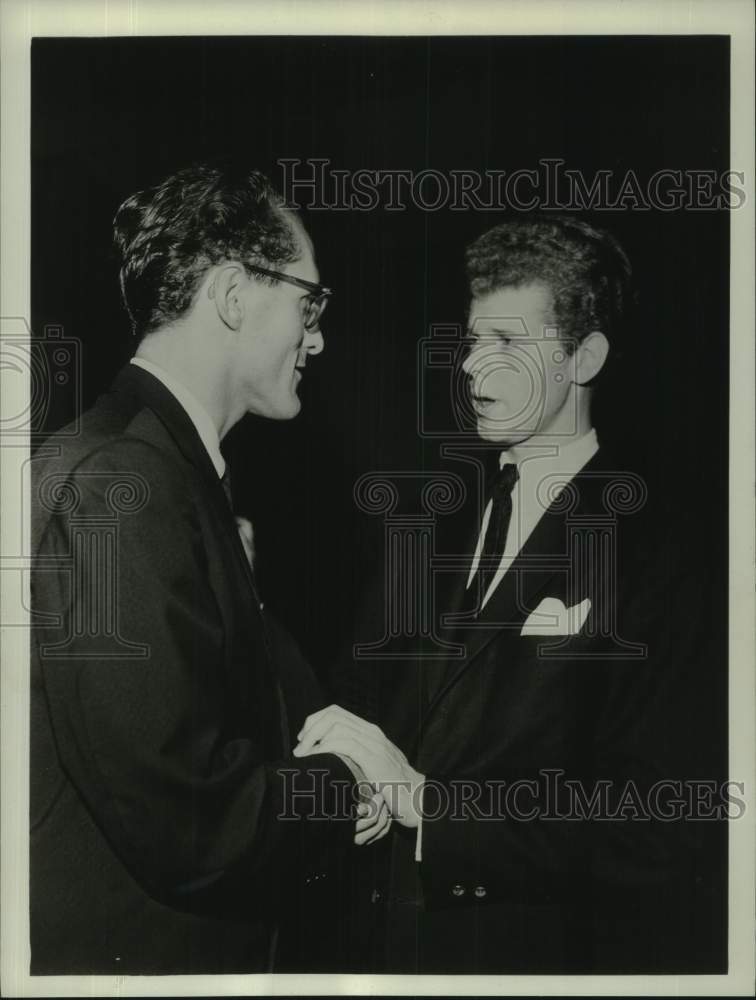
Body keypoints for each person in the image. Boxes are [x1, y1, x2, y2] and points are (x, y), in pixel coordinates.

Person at [295, 215, 727, 973]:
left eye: (507, 344)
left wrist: (434, 810)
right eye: (471, 341)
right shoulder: (427, 523)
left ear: (584, 358)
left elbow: (658, 826)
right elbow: (358, 698)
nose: (469, 366)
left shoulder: (664, 554)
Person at [29, 164, 389, 975]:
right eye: (310, 303)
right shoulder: (122, 484)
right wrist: (345, 785)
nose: (320, 337)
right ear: (233, 295)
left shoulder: (165, 473)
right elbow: (189, 816)